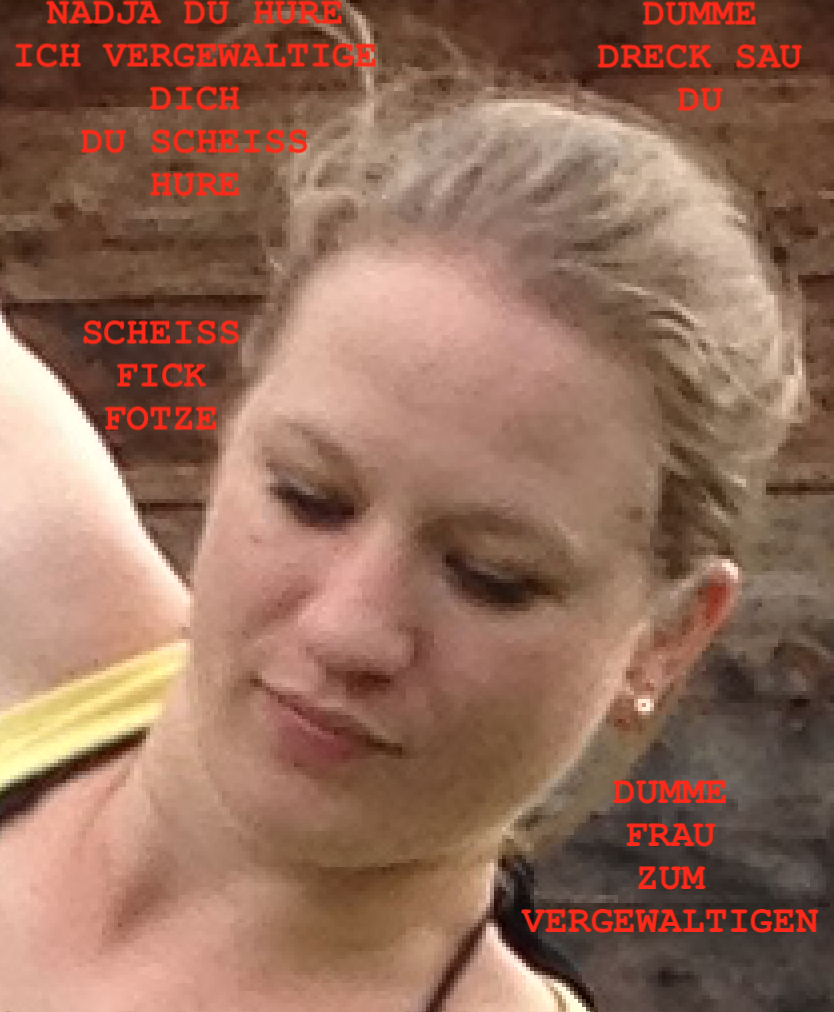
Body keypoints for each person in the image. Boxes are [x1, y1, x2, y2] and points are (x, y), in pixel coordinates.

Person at [0, 68, 808, 1011]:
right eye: (309, 498)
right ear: (235, 423)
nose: (347, 631)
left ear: (666, 639)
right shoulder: (46, 635)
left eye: (491, 578)